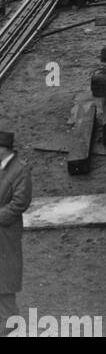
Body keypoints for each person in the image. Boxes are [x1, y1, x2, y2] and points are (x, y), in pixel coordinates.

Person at [0, 129, 32, 336]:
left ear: (3, 150)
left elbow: (20, 203)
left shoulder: (20, 170)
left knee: (4, 283)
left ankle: (10, 327)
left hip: (5, 234)